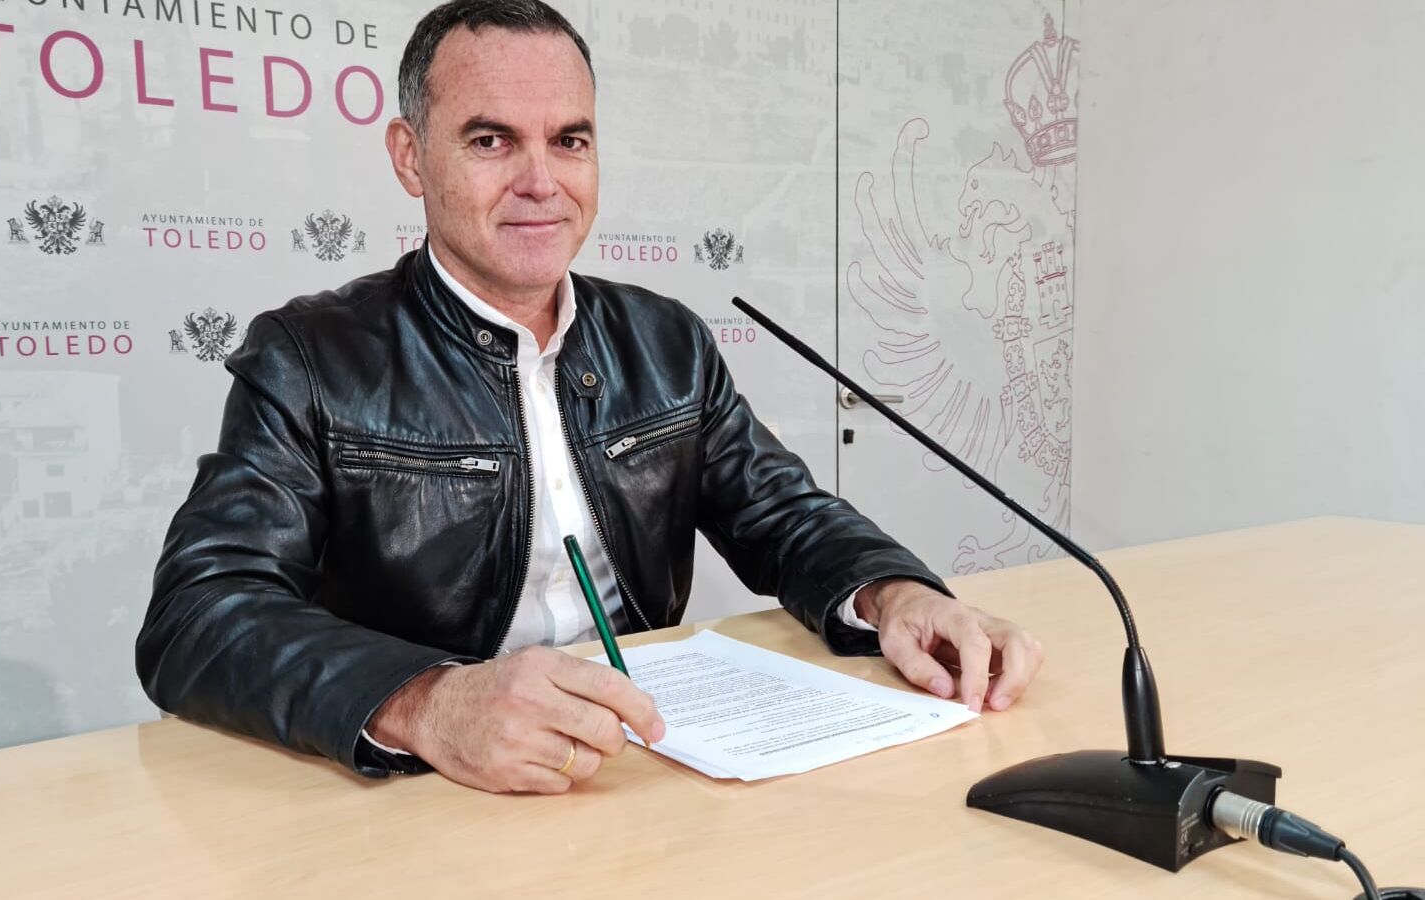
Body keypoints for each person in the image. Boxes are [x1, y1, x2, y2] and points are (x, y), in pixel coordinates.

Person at [136, 0, 1043, 795]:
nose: (541, 181)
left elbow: (784, 515)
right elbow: (199, 613)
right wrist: (432, 702)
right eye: (491, 141)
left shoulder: (667, 341)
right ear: (411, 158)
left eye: (569, 140)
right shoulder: (309, 357)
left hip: (644, 766)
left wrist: (895, 594)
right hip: (428, 786)